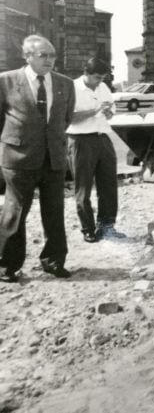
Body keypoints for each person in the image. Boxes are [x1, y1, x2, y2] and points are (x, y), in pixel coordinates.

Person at [0, 35, 76, 282]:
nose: (49, 60)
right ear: (27, 56)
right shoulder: (6, 81)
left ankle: (53, 261)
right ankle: (7, 266)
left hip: (53, 159)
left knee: (54, 212)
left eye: (53, 55)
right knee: (15, 212)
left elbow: (65, 119)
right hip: (19, 159)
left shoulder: (65, 83)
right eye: (43, 55)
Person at [67, 58, 121, 243]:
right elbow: (70, 117)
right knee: (84, 186)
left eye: (103, 77)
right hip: (81, 139)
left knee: (108, 184)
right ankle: (88, 229)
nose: (100, 81)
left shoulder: (103, 87)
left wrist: (109, 112)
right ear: (86, 73)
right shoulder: (71, 88)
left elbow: (112, 108)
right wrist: (96, 109)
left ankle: (107, 225)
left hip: (102, 137)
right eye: (97, 77)